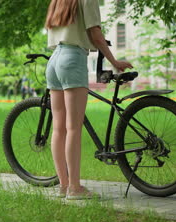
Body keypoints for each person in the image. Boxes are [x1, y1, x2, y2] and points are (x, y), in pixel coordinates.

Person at [45, 0, 133, 199]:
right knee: (73, 128)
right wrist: (115, 62)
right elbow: (95, 34)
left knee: (58, 129)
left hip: (54, 60)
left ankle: (64, 185)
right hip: (72, 58)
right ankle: (75, 188)